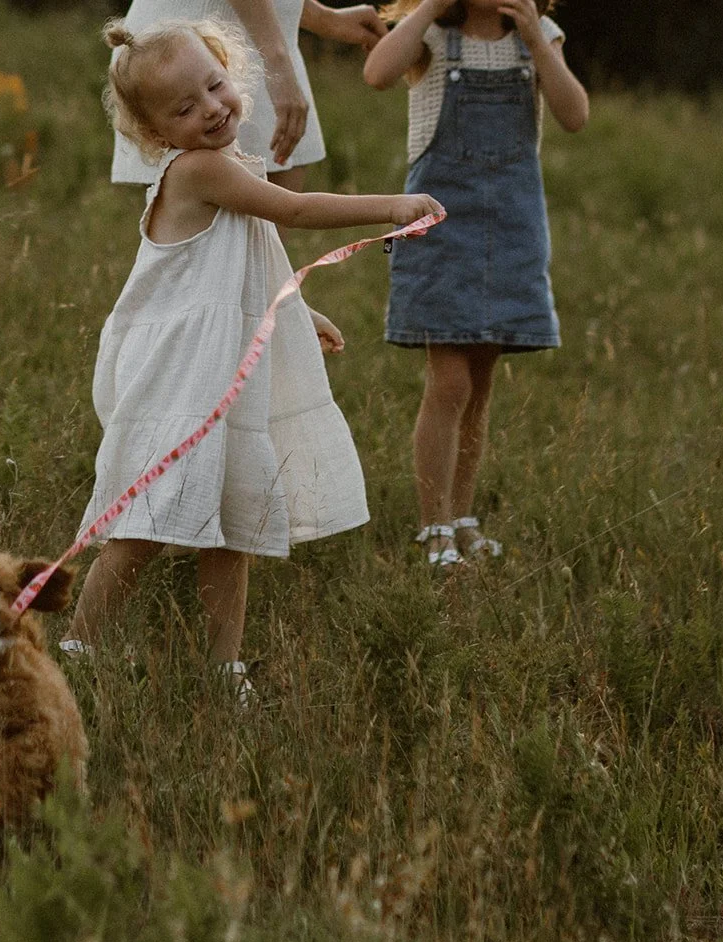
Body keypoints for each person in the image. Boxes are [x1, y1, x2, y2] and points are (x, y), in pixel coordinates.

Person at [62, 18, 441, 699]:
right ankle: (78, 651)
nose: (211, 109)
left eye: (215, 86)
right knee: (144, 523)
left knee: (233, 525)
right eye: (184, 108)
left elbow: (246, 256)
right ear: (155, 133)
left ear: (229, 71)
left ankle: (222, 668)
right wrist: (391, 205)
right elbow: (294, 210)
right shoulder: (200, 170)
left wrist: (297, 312)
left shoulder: (231, 163)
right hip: (181, 378)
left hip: (218, 377)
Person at [363, 0, 588, 569]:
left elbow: (575, 115)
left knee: (479, 386)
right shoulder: (434, 38)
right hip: (442, 232)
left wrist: (536, 38)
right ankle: (433, 526)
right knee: (450, 383)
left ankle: (462, 519)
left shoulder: (540, 37)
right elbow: (377, 73)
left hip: (511, 230)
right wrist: (429, 7)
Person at [112, 0, 387, 194]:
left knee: (264, 248)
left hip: (252, 45)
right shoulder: (209, 92)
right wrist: (277, 65)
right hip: (189, 56)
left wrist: (324, 18)